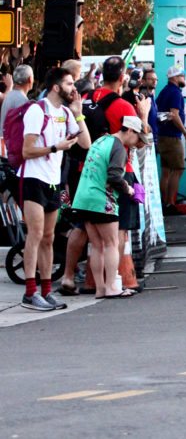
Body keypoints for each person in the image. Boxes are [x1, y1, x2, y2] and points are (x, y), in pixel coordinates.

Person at [19, 68, 92, 310]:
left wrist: (79, 115)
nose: (74, 88)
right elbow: (26, 151)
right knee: (36, 235)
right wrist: (54, 147)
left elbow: (85, 144)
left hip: (53, 181)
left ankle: (47, 290)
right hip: (33, 179)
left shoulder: (65, 112)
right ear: (56, 87)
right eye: (70, 83)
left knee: (49, 238)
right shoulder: (37, 110)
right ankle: (30, 292)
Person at [72, 115, 145, 299]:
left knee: (96, 245)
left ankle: (100, 288)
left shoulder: (101, 140)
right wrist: (128, 189)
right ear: (129, 130)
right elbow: (114, 176)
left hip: (83, 198)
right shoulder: (118, 147)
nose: (136, 143)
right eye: (137, 137)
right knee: (111, 243)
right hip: (102, 200)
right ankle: (112, 286)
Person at [155, 65, 186, 215]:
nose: (184, 78)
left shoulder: (164, 91)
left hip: (163, 134)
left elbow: (158, 111)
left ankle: (165, 203)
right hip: (172, 136)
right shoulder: (175, 92)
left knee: (166, 171)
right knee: (179, 169)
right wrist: (185, 132)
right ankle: (170, 203)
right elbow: (174, 115)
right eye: (182, 75)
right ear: (175, 78)